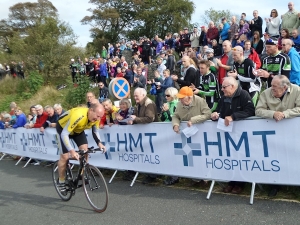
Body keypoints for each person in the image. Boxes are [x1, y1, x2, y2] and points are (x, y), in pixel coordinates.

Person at [255, 75, 300, 197]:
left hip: (294, 133)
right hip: (274, 134)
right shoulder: (266, 93)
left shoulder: (297, 90)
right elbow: (258, 110)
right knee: (275, 158)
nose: (271, 88)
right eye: (271, 85)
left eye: (274, 86)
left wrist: (285, 114)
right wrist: (272, 113)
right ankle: (275, 185)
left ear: (285, 87)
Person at [211, 77, 255, 194]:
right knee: (230, 157)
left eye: (224, 87)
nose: (222, 90)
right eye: (222, 87)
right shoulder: (224, 97)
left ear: (233, 86)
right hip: (228, 132)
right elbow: (220, 111)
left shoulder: (244, 95)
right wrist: (215, 115)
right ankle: (231, 181)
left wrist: (234, 116)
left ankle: (240, 183)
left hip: (242, 133)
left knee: (241, 157)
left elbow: (250, 110)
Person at [56, 103, 106, 193]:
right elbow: (64, 134)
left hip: (78, 130)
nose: (98, 119)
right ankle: (61, 181)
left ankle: (82, 174)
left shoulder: (96, 117)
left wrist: (100, 143)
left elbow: (95, 131)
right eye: (97, 116)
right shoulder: (79, 115)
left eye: (100, 117)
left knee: (85, 151)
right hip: (63, 129)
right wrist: (72, 151)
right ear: (91, 110)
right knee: (64, 157)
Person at [127, 88, 158, 184]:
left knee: (151, 153)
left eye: (137, 95)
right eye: (134, 95)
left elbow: (150, 118)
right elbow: (137, 116)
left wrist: (136, 119)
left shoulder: (149, 103)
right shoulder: (138, 104)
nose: (134, 97)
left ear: (143, 95)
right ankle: (141, 172)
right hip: (143, 132)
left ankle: (153, 175)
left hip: (151, 132)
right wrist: (132, 120)